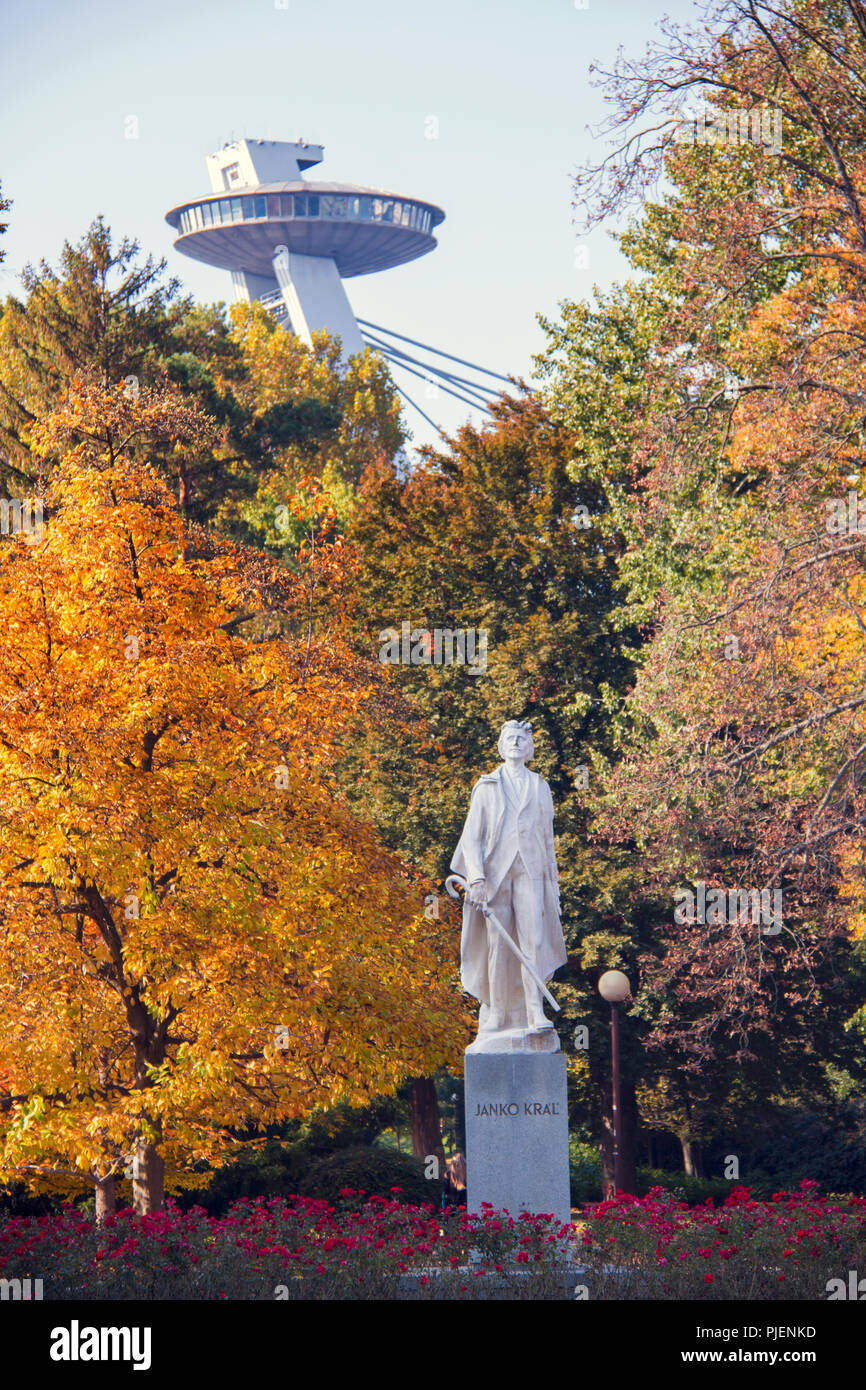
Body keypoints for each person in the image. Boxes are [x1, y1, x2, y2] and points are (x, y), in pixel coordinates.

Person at [450, 720, 567, 1046]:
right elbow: (472, 839)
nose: (515, 743)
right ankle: (498, 1013)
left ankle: (534, 1012)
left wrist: (553, 885)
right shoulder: (487, 786)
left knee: (535, 941)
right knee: (498, 947)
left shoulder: (539, 786)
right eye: (510, 738)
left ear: (529, 748)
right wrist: (476, 879)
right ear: (501, 746)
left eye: (521, 739)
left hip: (530, 874)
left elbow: (548, 841)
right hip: (495, 877)